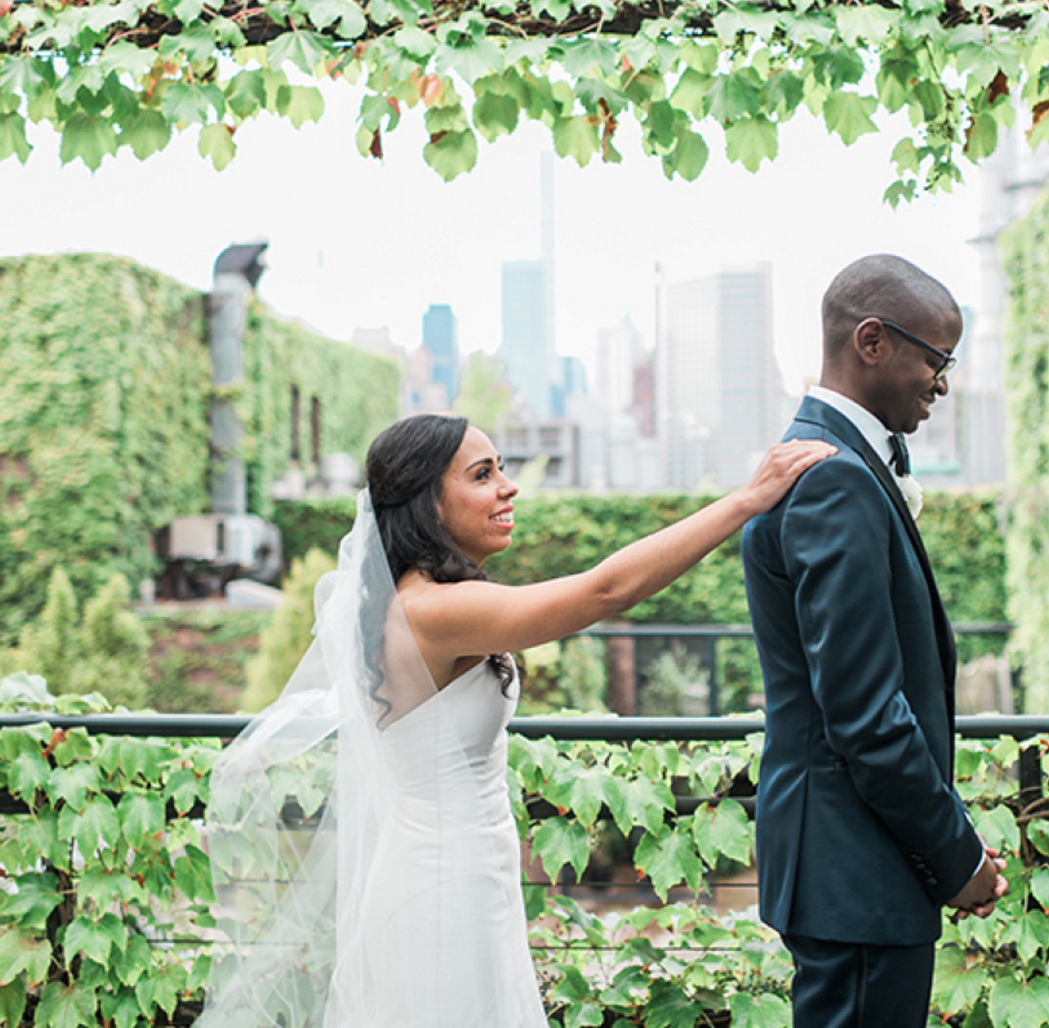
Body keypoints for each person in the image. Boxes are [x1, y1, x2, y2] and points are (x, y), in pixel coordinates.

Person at [198, 411, 832, 1028]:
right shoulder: (431, 611)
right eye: (481, 474)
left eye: (501, 467)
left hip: (465, 873)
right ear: (427, 502)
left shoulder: (418, 600)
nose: (509, 485)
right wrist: (746, 500)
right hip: (442, 885)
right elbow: (602, 593)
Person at [740, 254, 1008, 1028]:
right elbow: (863, 713)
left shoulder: (833, 461)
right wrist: (956, 858)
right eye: (936, 358)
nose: (943, 382)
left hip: (853, 865)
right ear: (871, 341)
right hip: (855, 869)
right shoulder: (833, 477)